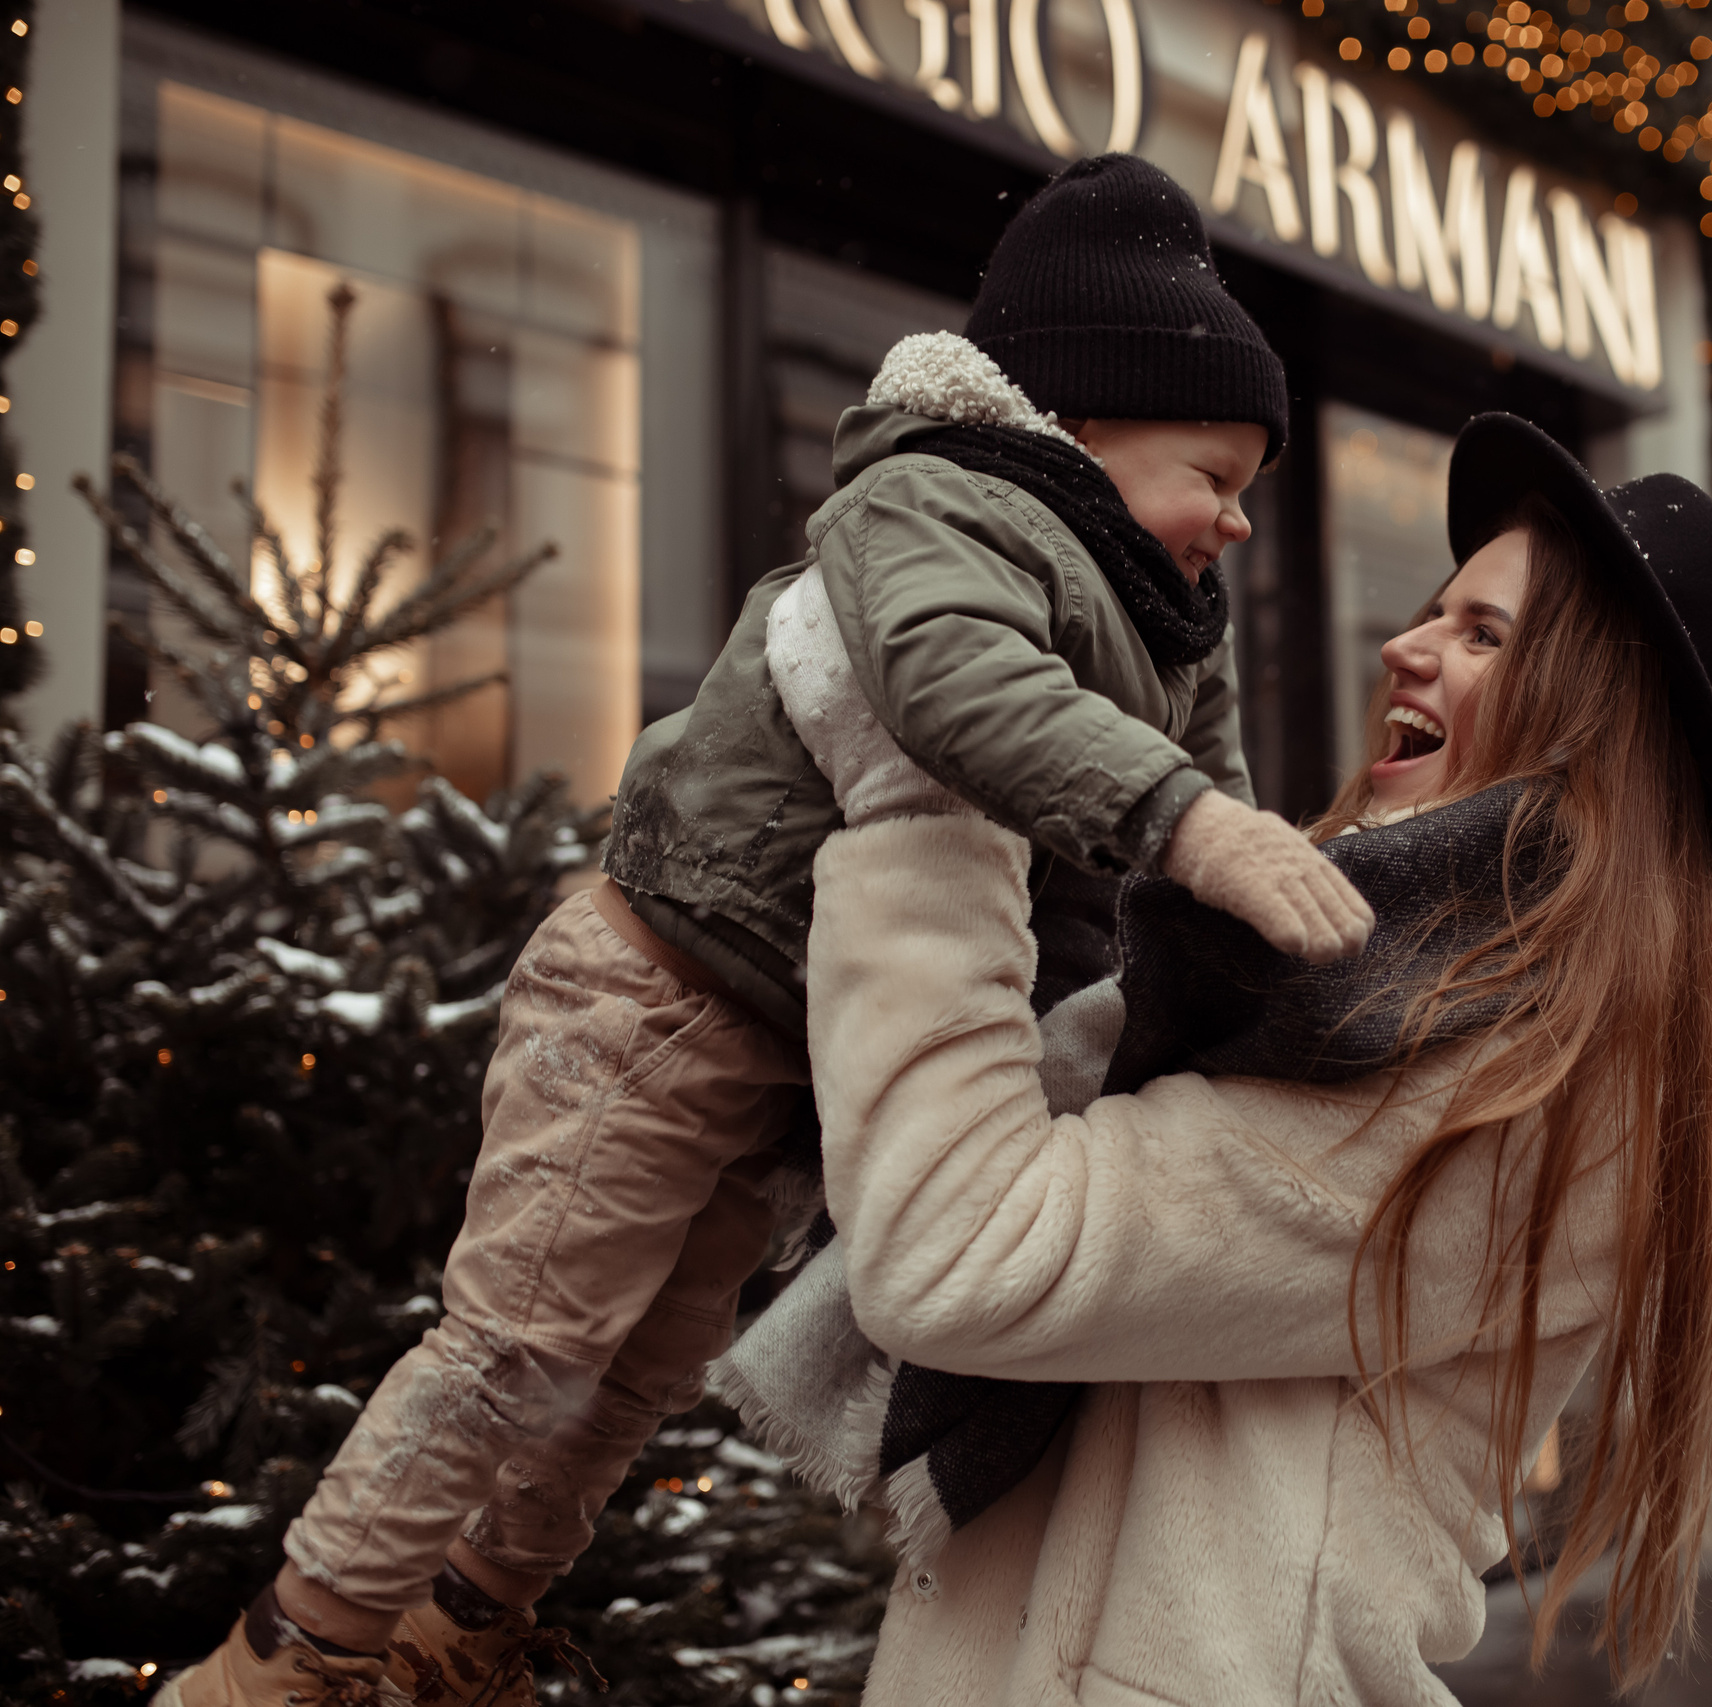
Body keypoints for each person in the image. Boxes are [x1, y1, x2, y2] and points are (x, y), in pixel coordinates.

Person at [157, 154, 1371, 1707]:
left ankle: (459, 1632)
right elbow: (962, 685)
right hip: (654, 996)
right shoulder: (934, 500)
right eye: (1217, 473)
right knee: (520, 1344)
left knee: (637, 1374)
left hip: (772, 1060)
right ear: (1081, 424)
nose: (1240, 524)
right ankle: (286, 1659)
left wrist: (1223, 958)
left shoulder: (1166, 633)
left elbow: (1190, 837)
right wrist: (1200, 836)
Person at [754, 411, 1712, 1703]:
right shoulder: (1362, 996)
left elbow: (958, 1251)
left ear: (1594, 731)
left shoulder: (1500, 1075)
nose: (1405, 646)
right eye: (1437, 611)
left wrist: (924, 793)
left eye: (1484, 636)